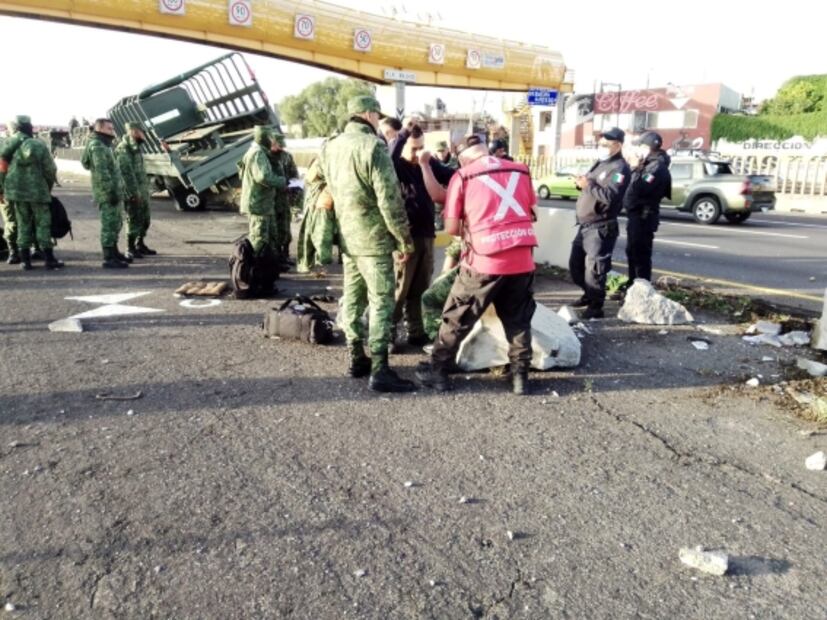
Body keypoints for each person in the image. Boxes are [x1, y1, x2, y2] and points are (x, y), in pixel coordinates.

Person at [416, 136, 538, 395]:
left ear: (462, 160)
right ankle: (520, 378)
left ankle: (438, 371)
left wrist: (474, 228)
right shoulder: (520, 170)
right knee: (518, 319)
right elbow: (531, 210)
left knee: (457, 316)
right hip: (522, 257)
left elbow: (451, 228)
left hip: (484, 260)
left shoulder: (464, 176)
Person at [318, 95, 416, 393]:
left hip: (349, 238)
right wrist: (404, 241)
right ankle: (381, 369)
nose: (378, 121)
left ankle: (356, 357)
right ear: (368, 114)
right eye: (377, 115)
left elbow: (327, 189)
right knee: (381, 302)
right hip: (374, 241)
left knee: (353, 296)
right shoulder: (373, 146)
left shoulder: (329, 146)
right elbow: (389, 199)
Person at [388, 121, 456, 348]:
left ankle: (415, 331)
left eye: (421, 147)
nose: (418, 153)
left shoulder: (428, 164)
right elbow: (390, 153)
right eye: (414, 148)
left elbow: (451, 176)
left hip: (426, 234)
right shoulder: (396, 165)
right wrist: (404, 133)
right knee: (400, 288)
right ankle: (388, 334)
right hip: (404, 237)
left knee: (420, 287)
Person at [568, 127, 630, 318]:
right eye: (601, 143)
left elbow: (610, 196)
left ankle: (596, 308)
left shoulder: (620, 168)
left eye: (606, 144)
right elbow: (591, 188)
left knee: (595, 270)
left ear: (617, 145)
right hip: (585, 225)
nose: (601, 146)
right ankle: (588, 294)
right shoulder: (600, 163)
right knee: (575, 264)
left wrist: (590, 185)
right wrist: (582, 184)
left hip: (600, 226)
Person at [0, 115, 63, 270]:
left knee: (23, 223)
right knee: (43, 223)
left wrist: (3, 188)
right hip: (37, 192)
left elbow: (1, 169)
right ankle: (49, 259)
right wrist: (47, 187)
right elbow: (50, 169)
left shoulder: (6, 144)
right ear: (28, 126)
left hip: (16, 193)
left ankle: (25, 261)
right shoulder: (37, 144)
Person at [623, 131, 672, 284]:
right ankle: (633, 285)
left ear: (649, 147)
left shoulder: (657, 167)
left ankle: (641, 289)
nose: (637, 150)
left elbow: (638, 188)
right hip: (636, 215)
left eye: (641, 146)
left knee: (640, 255)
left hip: (644, 216)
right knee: (632, 252)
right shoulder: (648, 164)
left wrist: (635, 169)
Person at [82, 118, 131, 269]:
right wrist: (110, 192)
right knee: (109, 225)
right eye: (109, 128)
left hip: (113, 191)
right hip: (107, 193)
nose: (112, 131)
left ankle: (114, 252)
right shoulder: (97, 146)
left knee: (116, 223)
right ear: (100, 129)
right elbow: (102, 172)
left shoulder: (104, 144)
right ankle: (108, 257)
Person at [238, 125, 287, 264]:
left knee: (270, 238)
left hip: (263, 204)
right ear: (265, 138)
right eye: (271, 138)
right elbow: (263, 177)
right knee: (259, 239)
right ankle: (255, 272)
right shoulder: (257, 153)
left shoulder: (256, 151)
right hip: (258, 204)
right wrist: (282, 181)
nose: (273, 141)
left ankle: (269, 268)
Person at [115, 122, 155, 260]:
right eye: (142, 132)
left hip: (142, 191)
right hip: (133, 192)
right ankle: (130, 247)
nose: (144, 135)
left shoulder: (135, 148)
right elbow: (126, 175)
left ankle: (140, 244)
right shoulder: (124, 149)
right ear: (134, 132)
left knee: (145, 219)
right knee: (133, 219)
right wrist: (132, 193)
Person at [267, 132, 299, 267]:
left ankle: (285, 255)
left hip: (284, 199)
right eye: (277, 145)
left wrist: (294, 189)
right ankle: (275, 258)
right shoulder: (266, 158)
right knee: (273, 230)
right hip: (271, 200)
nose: (279, 149)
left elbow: (294, 175)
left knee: (285, 229)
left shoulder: (287, 157)